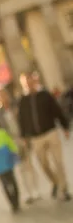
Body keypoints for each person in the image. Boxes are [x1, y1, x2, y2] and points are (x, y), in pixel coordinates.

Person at [18, 72, 70, 201]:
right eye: (26, 82)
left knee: (58, 161)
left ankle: (64, 189)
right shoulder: (23, 100)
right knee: (43, 164)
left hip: (51, 132)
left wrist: (65, 126)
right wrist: (24, 135)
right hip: (36, 138)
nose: (29, 84)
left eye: (31, 81)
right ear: (24, 84)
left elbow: (57, 110)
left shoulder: (45, 95)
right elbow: (22, 119)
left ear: (35, 81)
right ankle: (55, 182)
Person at [0, 88, 40, 203]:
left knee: (29, 165)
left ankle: (35, 189)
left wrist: (26, 136)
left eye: (5, 95)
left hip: (22, 138)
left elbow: (25, 121)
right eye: (1, 96)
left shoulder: (17, 106)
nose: (4, 98)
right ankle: (27, 192)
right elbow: (0, 130)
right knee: (20, 168)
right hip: (11, 142)